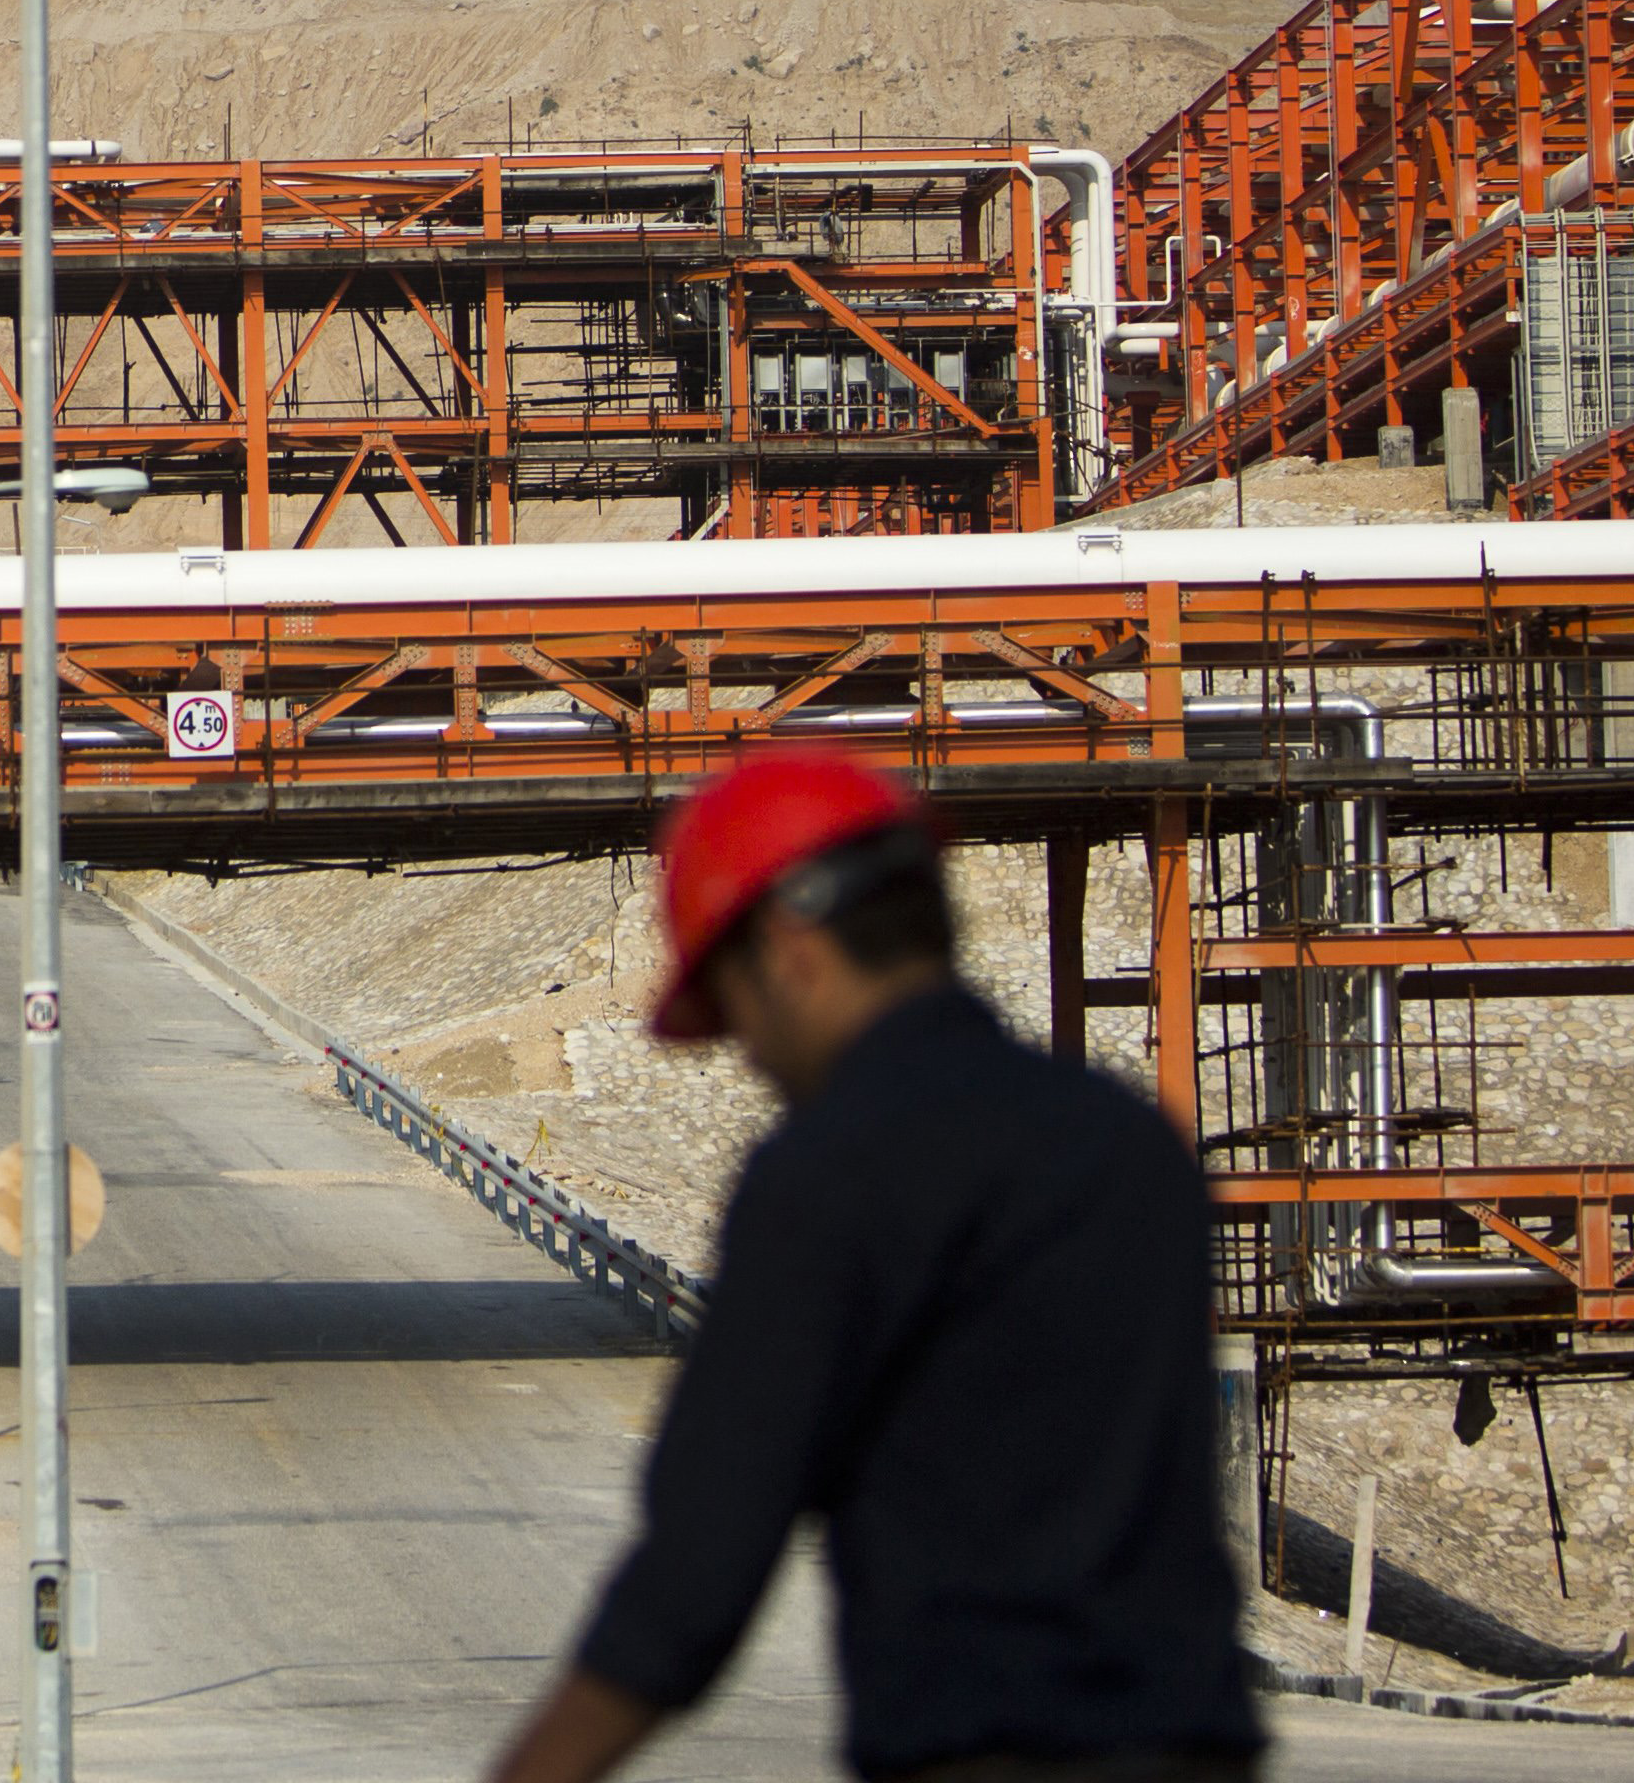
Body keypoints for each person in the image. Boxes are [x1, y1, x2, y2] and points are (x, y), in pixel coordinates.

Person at [483, 750, 1262, 1783]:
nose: (748, 1053)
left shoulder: (831, 1170)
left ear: (789, 946)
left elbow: (697, 1579)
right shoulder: (1132, 1146)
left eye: (734, 1006)